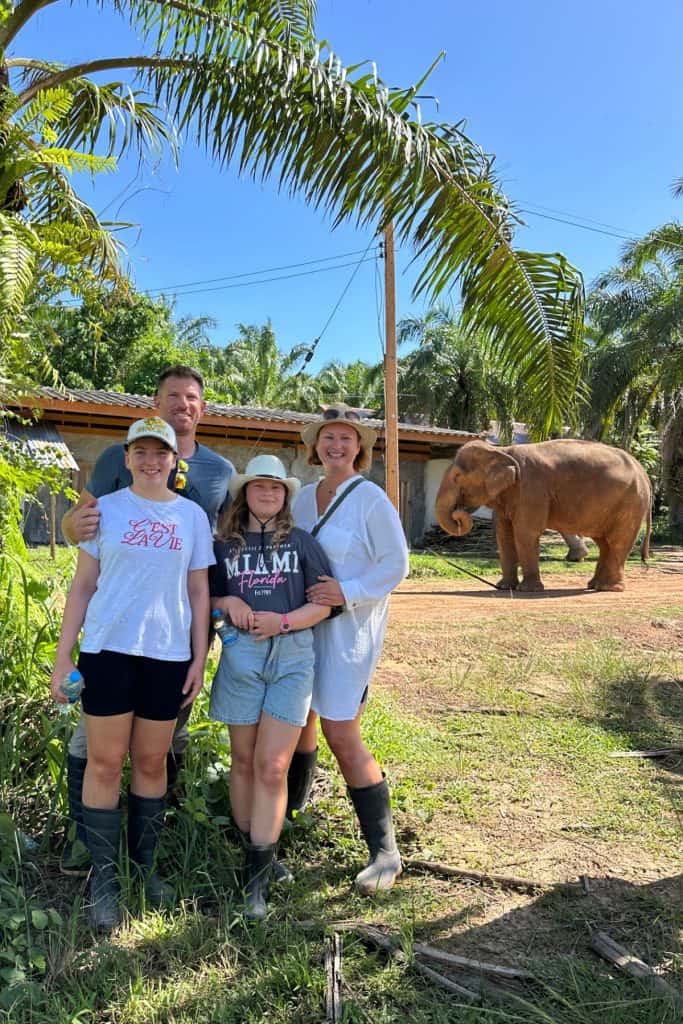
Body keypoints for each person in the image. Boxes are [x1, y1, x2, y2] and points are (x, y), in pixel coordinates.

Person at [59, 366, 234, 876]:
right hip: (111, 638)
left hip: (174, 639)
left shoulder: (216, 477)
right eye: (172, 396)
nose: (183, 403)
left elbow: (209, 569)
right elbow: (82, 536)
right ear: (154, 405)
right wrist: (62, 655)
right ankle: (90, 851)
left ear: (202, 408)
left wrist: (203, 649)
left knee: (160, 751)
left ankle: (147, 855)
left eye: (192, 397)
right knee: (96, 752)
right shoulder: (116, 466)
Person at [51, 417, 215, 931]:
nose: (151, 460)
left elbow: (198, 593)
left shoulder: (192, 518)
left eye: (160, 452)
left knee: (150, 762)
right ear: (126, 459)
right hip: (108, 651)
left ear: (175, 460)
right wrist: (64, 656)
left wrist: (197, 657)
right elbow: (82, 588)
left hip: (166, 656)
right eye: (140, 451)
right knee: (103, 763)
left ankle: (144, 869)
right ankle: (104, 878)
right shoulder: (105, 512)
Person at [209, 454, 340, 918]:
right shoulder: (222, 546)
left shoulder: (303, 543)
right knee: (243, 760)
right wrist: (226, 600)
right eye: (259, 487)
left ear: (286, 496)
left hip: (291, 657)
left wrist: (282, 621)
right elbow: (205, 599)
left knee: (271, 765)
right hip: (241, 657)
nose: (268, 494)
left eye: (276, 488)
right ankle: (254, 854)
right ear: (245, 493)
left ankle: (257, 884)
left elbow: (325, 604)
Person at [291, 403, 409, 894]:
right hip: (298, 627)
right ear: (315, 445)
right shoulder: (298, 498)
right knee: (296, 722)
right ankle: (290, 819)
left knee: (341, 731)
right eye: (327, 438)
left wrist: (348, 591)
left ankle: (385, 849)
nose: (336, 446)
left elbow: (396, 564)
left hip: (348, 633)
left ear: (359, 447)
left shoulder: (370, 499)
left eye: (346, 438)